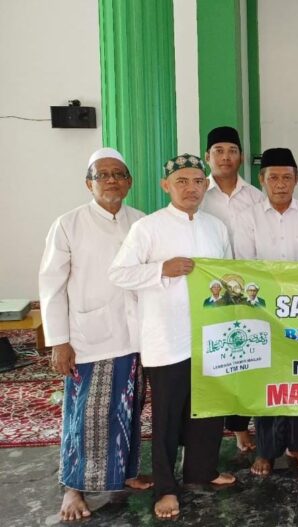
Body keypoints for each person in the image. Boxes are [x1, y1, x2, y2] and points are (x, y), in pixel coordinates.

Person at [109, 154, 235, 519]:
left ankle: (202, 470)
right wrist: (160, 269)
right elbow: (119, 273)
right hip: (167, 337)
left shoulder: (216, 227)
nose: (191, 188)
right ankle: (166, 487)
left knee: (209, 408)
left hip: (209, 335)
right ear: (166, 186)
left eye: (198, 181)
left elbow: (228, 275)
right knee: (166, 415)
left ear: (206, 186)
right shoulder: (147, 229)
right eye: (182, 181)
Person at [39, 148, 150, 521]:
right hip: (90, 337)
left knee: (128, 411)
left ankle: (123, 473)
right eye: (102, 175)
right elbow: (51, 285)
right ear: (89, 183)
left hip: (136, 335)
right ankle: (74, 486)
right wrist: (59, 340)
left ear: (129, 182)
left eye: (118, 173)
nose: (111, 180)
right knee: (85, 413)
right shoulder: (68, 224)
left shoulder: (141, 222)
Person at [234, 147, 298, 475]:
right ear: (262, 180)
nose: (280, 183)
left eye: (287, 177)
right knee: (268, 380)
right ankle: (266, 450)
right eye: (273, 177)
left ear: (297, 179)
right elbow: (246, 267)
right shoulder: (247, 218)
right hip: (263, 314)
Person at [200, 125, 264, 451]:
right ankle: (208, 430)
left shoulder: (256, 196)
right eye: (219, 151)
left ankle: (240, 426)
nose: (226, 157)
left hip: (247, 291)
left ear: (240, 157)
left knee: (244, 357)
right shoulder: (199, 195)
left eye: (232, 151)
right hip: (207, 290)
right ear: (207, 157)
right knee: (214, 358)